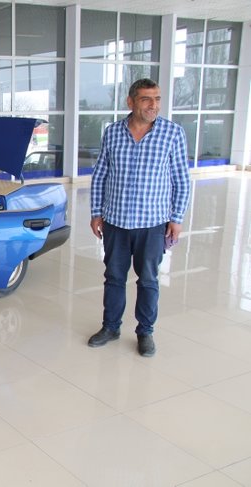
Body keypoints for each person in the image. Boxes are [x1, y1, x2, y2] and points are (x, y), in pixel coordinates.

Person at [88, 78, 190, 357]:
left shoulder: (173, 133)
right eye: (146, 99)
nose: (153, 105)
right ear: (131, 102)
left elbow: (181, 179)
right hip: (116, 222)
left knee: (148, 280)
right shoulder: (112, 132)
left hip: (152, 224)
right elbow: (100, 175)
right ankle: (110, 327)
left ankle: (145, 332)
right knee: (114, 277)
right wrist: (96, 212)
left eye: (157, 99)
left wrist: (176, 218)